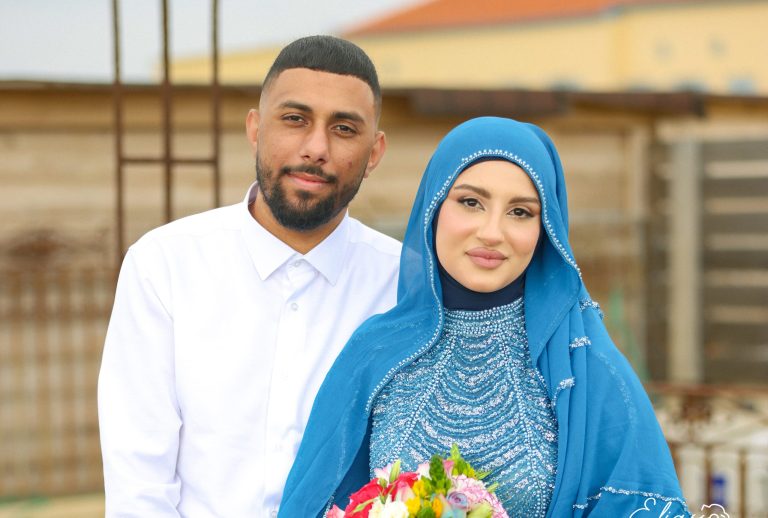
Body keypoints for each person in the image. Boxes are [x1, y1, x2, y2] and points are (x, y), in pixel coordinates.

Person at [278, 117, 690, 517]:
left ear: (545, 229)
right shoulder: (375, 353)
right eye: (471, 202)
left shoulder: (583, 365)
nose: (492, 232)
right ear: (434, 206)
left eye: (520, 212)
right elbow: (324, 503)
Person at [97, 35, 401, 517]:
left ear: (375, 152)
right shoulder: (164, 266)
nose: (316, 148)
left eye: (344, 129)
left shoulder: (404, 284)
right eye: (295, 119)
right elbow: (139, 483)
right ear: (255, 128)